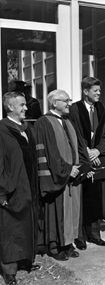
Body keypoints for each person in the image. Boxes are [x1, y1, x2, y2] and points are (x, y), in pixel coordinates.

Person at [69, 77, 105, 249]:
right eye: (95, 90)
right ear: (85, 91)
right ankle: (80, 236)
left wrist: (97, 150)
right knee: (82, 199)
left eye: (99, 90)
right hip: (81, 158)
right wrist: (87, 152)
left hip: (97, 158)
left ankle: (94, 234)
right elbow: (74, 134)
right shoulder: (74, 109)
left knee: (96, 199)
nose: (99, 93)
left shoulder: (104, 109)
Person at [34, 89, 82, 261]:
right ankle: (55, 246)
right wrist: (67, 170)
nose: (69, 103)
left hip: (72, 175)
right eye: (66, 100)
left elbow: (75, 146)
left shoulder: (67, 121)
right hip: (57, 177)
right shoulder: (44, 122)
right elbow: (50, 153)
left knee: (71, 211)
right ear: (54, 103)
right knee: (56, 212)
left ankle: (68, 244)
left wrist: (80, 166)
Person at [0, 91, 39, 285]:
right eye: (22, 105)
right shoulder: (2, 129)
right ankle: (9, 271)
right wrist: (1, 191)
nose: (26, 108)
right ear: (10, 107)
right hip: (11, 186)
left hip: (27, 185)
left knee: (25, 223)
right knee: (10, 229)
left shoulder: (25, 128)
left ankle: (25, 260)